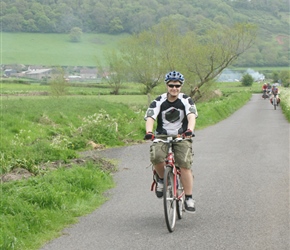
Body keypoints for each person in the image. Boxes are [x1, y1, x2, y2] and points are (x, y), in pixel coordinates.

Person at [144, 71, 198, 213]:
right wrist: (149, 132)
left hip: (182, 136)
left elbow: (191, 116)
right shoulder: (158, 101)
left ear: (181, 86)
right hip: (161, 136)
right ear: (167, 85)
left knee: (184, 164)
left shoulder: (186, 100)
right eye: (171, 85)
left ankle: (188, 198)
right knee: (156, 156)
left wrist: (190, 130)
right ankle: (162, 179)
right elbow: (150, 117)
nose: (174, 88)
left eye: (177, 85)